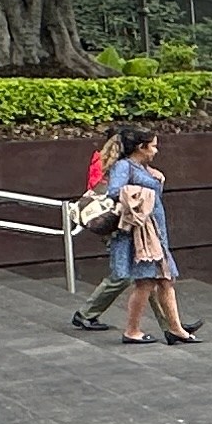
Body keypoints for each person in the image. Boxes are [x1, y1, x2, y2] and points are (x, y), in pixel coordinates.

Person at [107, 123, 198, 345]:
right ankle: (132, 330)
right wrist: (145, 191)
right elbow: (114, 192)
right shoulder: (123, 167)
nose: (156, 151)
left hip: (155, 232)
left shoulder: (142, 169)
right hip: (141, 236)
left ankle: (176, 329)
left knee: (166, 279)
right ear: (141, 147)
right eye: (153, 146)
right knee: (145, 282)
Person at [69, 124, 141, 333]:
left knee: (147, 275)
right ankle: (86, 313)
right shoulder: (115, 164)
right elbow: (103, 191)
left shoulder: (105, 160)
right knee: (125, 275)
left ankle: (172, 325)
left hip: (116, 223)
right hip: (115, 224)